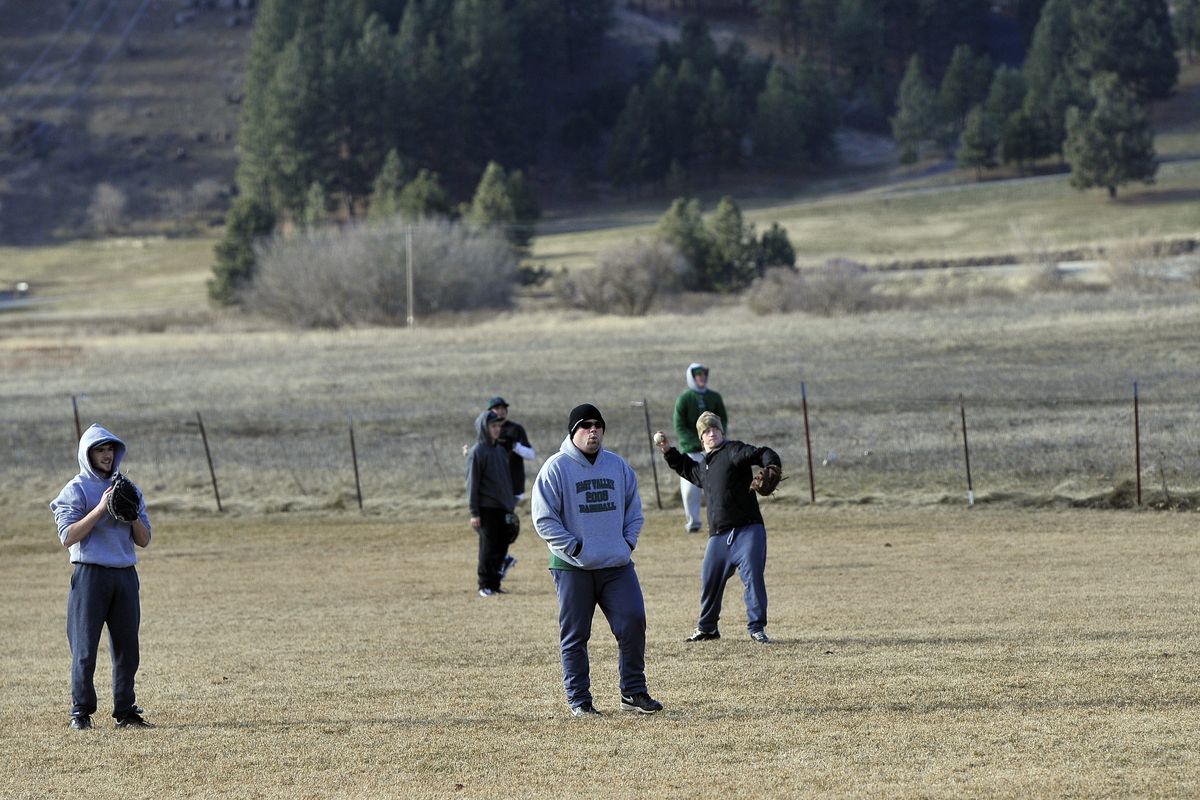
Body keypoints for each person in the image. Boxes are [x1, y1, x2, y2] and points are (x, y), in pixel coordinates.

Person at [532, 403, 663, 717]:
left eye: (597, 425)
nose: (592, 431)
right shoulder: (556, 467)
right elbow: (543, 519)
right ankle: (580, 700)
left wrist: (627, 542)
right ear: (573, 431)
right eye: (585, 425)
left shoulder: (616, 466)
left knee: (633, 621)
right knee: (576, 634)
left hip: (616, 565)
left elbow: (634, 509)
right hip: (572, 567)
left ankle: (633, 692)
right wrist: (574, 548)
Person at [50, 424, 153, 730]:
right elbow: (67, 536)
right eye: (100, 450)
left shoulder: (129, 488)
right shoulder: (76, 489)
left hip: (124, 575)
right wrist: (99, 509)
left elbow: (144, 539)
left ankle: (126, 711)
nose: (107, 455)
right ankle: (81, 712)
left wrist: (132, 514)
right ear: (88, 454)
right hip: (90, 575)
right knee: (84, 648)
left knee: (127, 648)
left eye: (110, 449)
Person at [656, 411, 781, 645]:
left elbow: (761, 453)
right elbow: (687, 468)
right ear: (701, 439)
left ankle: (756, 628)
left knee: (753, 577)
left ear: (721, 432)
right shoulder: (705, 467)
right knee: (709, 580)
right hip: (719, 537)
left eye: (714, 429)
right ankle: (708, 628)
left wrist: (771, 465)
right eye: (706, 431)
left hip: (748, 530)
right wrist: (667, 451)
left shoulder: (733, 451)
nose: (711, 433)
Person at [466, 409, 518, 597]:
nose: (497, 429)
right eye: (493, 426)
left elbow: (505, 480)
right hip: (486, 508)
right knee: (488, 548)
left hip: (502, 507)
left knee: (501, 547)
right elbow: (472, 483)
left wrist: (510, 505)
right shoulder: (478, 452)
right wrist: (474, 512)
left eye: (498, 426)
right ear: (484, 428)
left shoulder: (499, 450)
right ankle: (484, 584)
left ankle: (495, 584)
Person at [672, 363, 728, 533]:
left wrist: (717, 439)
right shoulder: (684, 399)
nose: (701, 377)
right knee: (690, 490)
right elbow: (680, 425)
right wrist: (696, 442)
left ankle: (720, 520)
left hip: (714, 450)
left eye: (704, 374)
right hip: (692, 451)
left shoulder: (715, 397)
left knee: (718, 486)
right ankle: (694, 523)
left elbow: (722, 420)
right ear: (691, 377)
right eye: (698, 375)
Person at [486, 396, 536, 501]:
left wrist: (514, 446)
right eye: (497, 408)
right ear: (489, 411)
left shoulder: (516, 429)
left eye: (503, 408)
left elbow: (531, 455)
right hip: (493, 486)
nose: (501, 411)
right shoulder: (486, 430)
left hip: (515, 484)